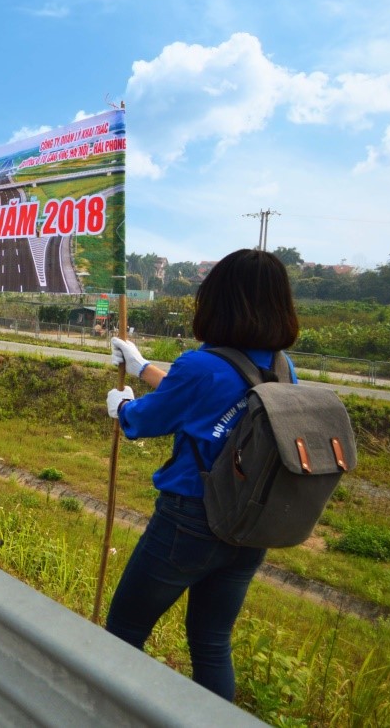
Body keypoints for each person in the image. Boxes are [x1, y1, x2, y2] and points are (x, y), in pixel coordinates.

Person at [104, 248, 300, 701]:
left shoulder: (200, 365)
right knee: (211, 643)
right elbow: (207, 395)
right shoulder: (281, 367)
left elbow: (146, 421)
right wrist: (142, 365)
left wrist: (123, 407)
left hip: (188, 523)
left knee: (124, 629)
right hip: (248, 525)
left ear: (219, 302)